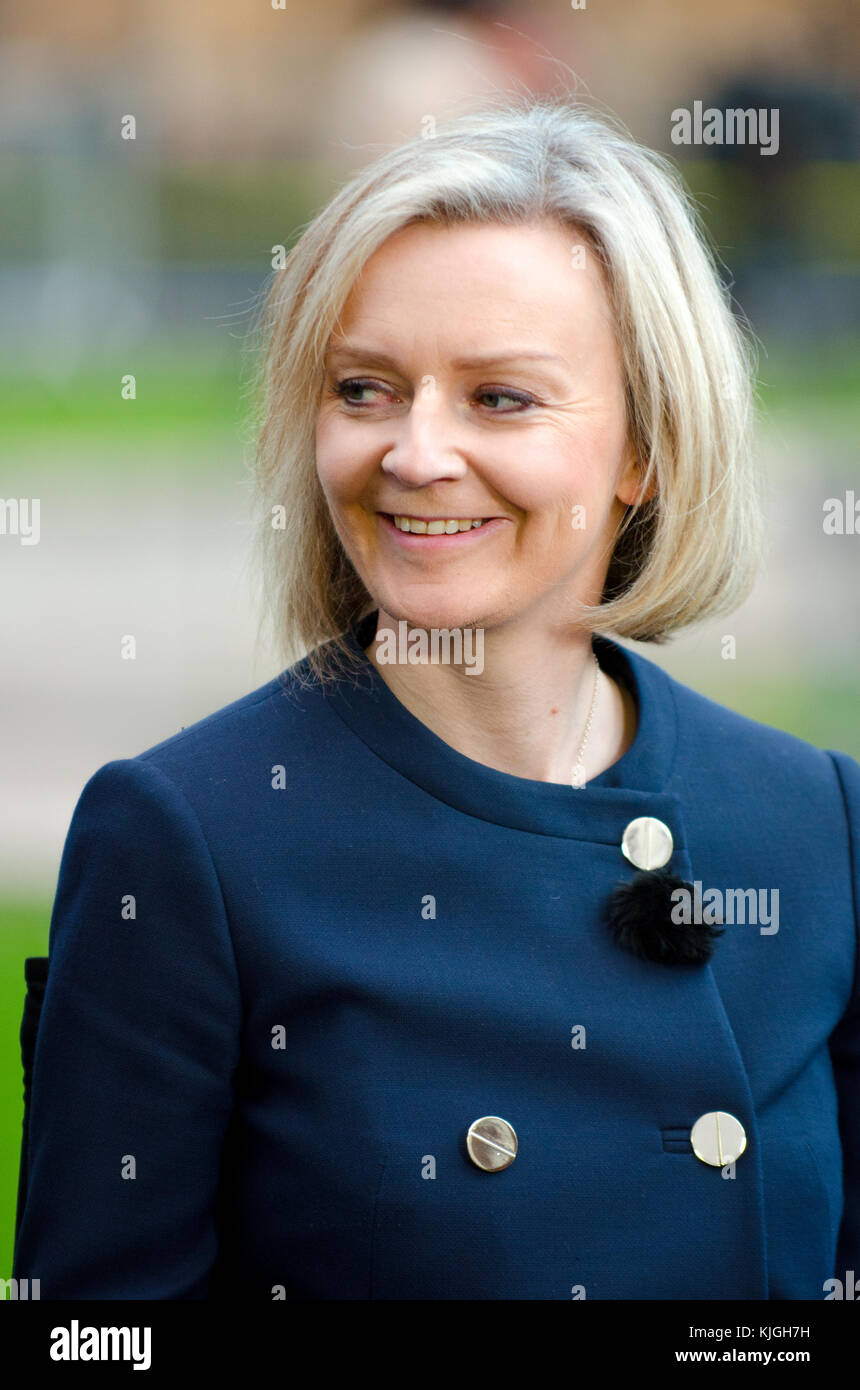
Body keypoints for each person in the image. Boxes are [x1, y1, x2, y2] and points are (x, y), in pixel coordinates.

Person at [13, 94, 859, 1300]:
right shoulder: (188, 838)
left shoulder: (817, 825)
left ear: (644, 450)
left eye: (498, 398)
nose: (412, 453)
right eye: (363, 389)